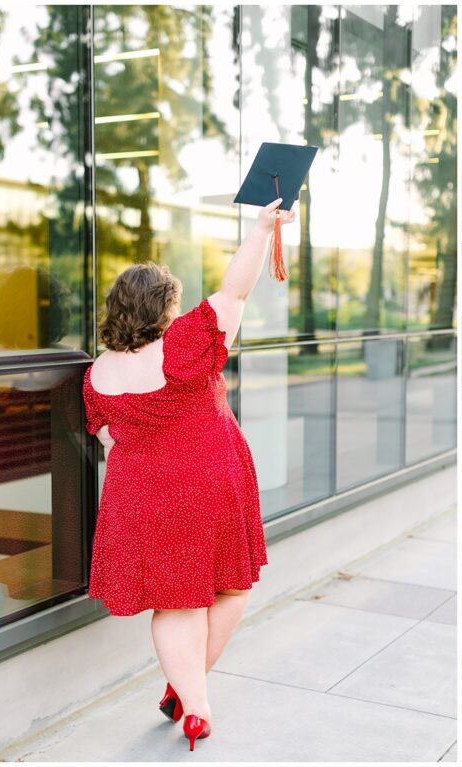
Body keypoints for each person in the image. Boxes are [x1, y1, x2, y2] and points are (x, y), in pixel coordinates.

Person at [83, 198, 294, 751]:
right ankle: (195, 702)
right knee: (231, 587)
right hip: (207, 484)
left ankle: (188, 691)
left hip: (138, 495)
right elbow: (237, 290)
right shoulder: (179, 349)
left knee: (173, 603)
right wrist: (260, 229)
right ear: (163, 310)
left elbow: (109, 439)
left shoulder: (97, 373)